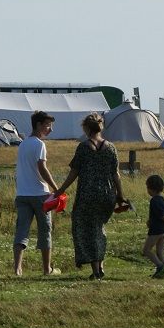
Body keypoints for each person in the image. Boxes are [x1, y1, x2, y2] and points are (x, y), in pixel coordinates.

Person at [53, 112, 123, 280]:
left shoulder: (84, 147)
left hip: (88, 194)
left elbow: (74, 173)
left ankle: (96, 269)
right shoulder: (111, 148)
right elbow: (116, 175)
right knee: (99, 228)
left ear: (86, 128)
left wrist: (60, 190)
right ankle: (101, 263)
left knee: (85, 228)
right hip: (108, 194)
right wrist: (121, 195)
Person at [13, 111, 60, 276]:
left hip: (22, 194)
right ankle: (47, 269)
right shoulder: (39, 144)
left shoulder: (23, 144)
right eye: (48, 125)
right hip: (40, 194)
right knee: (45, 230)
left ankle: (17, 268)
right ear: (38, 125)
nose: (50, 129)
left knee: (22, 230)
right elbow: (42, 168)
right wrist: (56, 188)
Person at [144, 175, 164, 279]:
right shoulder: (162, 199)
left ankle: (160, 267)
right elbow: (157, 214)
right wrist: (150, 220)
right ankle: (162, 274)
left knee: (146, 250)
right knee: (159, 251)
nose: (147, 190)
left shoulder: (154, 200)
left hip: (156, 230)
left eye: (148, 188)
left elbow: (161, 215)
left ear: (152, 189)